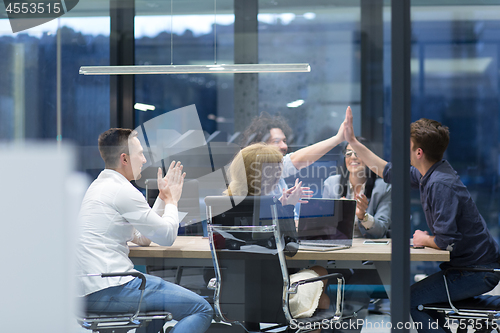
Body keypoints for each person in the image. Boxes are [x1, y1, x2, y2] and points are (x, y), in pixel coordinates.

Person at [342, 106, 500, 333]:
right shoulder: (432, 173)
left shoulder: (439, 183)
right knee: (422, 301)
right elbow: (387, 171)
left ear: (419, 153)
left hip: (476, 273)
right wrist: (354, 143)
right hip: (469, 269)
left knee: (410, 299)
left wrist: (424, 238)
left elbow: (445, 240)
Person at [76, 128, 213, 333]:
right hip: (111, 288)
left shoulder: (99, 186)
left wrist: (163, 196)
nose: (144, 159)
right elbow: (166, 237)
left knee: (156, 313)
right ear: (125, 158)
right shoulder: (123, 191)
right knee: (201, 308)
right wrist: (173, 201)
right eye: (140, 154)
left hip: (88, 290)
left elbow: (143, 238)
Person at [225, 143, 330, 328]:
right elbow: (291, 249)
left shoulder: (224, 203)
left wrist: (280, 206)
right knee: (321, 275)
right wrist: (286, 208)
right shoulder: (272, 207)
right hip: (273, 296)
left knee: (321, 301)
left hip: (233, 296)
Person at [239, 111, 345, 197]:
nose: (284, 146)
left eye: (284, 141)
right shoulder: (259, 169)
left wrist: (287, 203)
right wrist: (337, 139)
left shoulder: (279, 180)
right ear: (260, 144)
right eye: (276, 141)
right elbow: (296, 160)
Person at [323, 138, 391, 239]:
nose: (353, 157)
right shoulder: (331, 184)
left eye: (358, 153)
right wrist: (336, 214)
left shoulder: (383, 187)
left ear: (369, 157)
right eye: (348, 153)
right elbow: (323, 226)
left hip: (370, 249)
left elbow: (381, 230)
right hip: (339, 246)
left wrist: (363, 217)